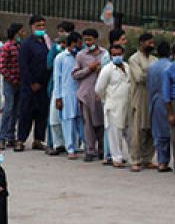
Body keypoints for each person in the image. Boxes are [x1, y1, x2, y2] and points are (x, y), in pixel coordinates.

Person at [16, 15, 51, 153]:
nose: (41, 28)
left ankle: (38, 139)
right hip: (29, 85)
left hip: (43, 84)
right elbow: (23, 66)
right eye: (38, 26)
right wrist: (31, 82)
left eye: (43, 26)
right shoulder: (26, 44)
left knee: (41, 113)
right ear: (32, 27)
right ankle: (21, 140)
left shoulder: (47, 42)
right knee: (26, 113)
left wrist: (42, 82)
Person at [72, 28, 108, 162]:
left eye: (90, 39)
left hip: (101, 94)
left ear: (96, 39)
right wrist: (89, 69)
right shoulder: (81, 55)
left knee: (101, 123)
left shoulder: (105, 54)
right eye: (85, 39)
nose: (88, 42)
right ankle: (90, 149)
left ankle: (102, 149)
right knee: (88, 124)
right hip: (85, 94)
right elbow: (75, 74)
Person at [96, 42, 132, 168]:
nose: (117, 56)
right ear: (111, 56)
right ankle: (117, 158)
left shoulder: (128, 67)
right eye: (114, 55)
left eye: (119, 54)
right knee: (114, 134)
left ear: (123, 54)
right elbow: (99, 89)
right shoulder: (107, 70)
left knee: (130, 134)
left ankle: (134, 158)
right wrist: (107, 99)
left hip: (127, 106)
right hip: (113, 106)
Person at [127, 34, 157, 171]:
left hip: (152, 97)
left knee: (151, 129)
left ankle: (147, 158)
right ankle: (135, 159)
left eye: (152, 43)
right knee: (138, 129)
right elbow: (139, 77)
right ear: (141, 43)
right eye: (149, 42)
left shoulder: (154, 59)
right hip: (139, 97)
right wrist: (152, 74)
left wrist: (149, 73)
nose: (151, 45)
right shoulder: (134, 59)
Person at [50, 32, 81, 159]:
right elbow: (57, 78)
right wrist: (58, 97)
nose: (79, 45)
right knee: (67, 121)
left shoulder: (80, 56)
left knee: (79, 121)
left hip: (78, 93)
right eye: (77, 43)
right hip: (65, 93)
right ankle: (70, 148)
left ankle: (78, 145)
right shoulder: (61, 58)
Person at [148, 41, 174, 172]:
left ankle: (162, 162)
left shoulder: (151, 67)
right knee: (172, 133)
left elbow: (149, 87)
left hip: (156, 101)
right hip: (171, 101)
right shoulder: (171, 67)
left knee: (160, 134)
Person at [0, 23, 22, 147]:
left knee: (16, 110)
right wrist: (12, 79)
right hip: (10, 82)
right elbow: (2, 67)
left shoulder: (20, 46)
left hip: (19, 81)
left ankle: (11, 135)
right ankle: (2, 137)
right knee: (8, 108)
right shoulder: (6, 47)